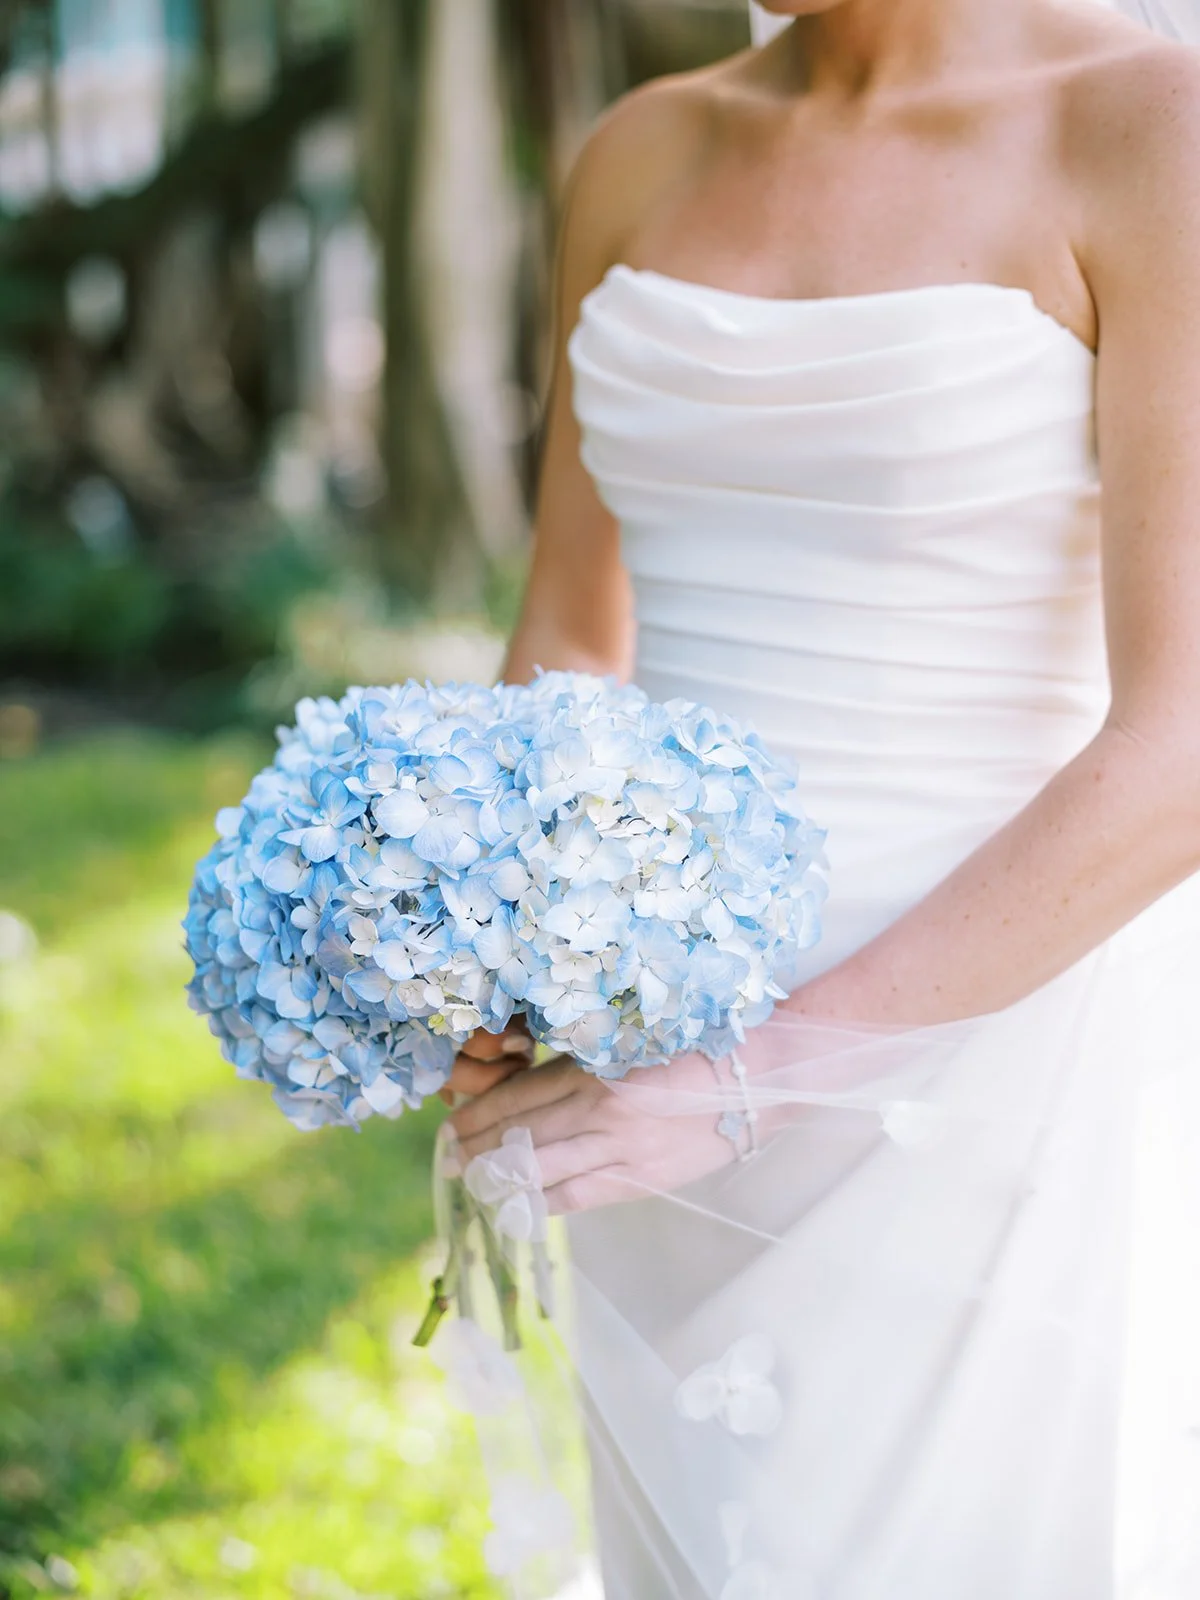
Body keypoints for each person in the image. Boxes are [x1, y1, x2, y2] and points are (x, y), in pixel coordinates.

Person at [437, 3, 1200, 1593]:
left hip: (985, 1058)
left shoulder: (1149, 121)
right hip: (637, 1052)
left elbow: (1184, 740)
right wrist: (491, 936)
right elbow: (577, 627)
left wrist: (750, 1074)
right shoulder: (637, 149)